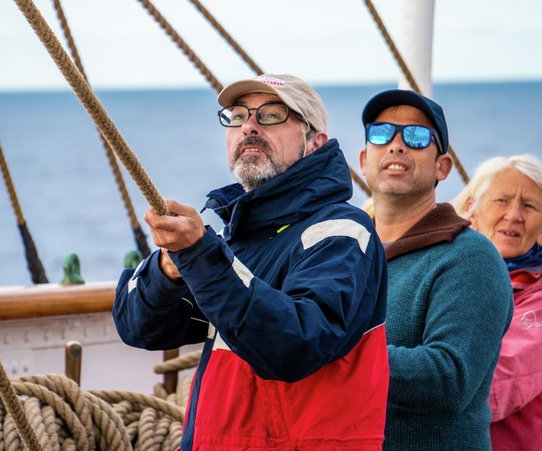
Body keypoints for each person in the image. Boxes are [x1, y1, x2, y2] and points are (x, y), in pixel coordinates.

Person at [113, 74, 389, 450]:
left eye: (272, 115)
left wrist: (202, 255)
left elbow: (294, 345)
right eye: (238, 116)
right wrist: (169, 270)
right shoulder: (235, 242)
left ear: (315, 143)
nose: (249, 127)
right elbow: (140, 328)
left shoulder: (340, 232)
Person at [358, 89, 513, 450]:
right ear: (364, 159)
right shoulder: (349, 252)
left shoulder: (471, 258)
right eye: (382, 133)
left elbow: (449, 378)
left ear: (442, 167)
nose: (397, 145)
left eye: (416, 136)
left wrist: (335, 354)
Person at [452, 154, 542, 450]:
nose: (513, 215)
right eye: (502, 200)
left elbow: (503, 382)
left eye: (528, 206)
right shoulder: (451, 277)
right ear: (472, 211)